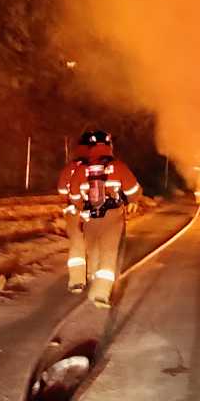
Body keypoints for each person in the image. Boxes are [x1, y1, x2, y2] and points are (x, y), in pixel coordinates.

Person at [66, 129, 142, 308]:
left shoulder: (81, 169)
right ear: (109, 145)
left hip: (89, 217)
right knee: (108, 252)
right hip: (113, 216)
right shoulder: (118, 166)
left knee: (92, 249)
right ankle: (100, 293)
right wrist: (133, 201)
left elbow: (73, 194)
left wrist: (82, 208)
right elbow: (134, 190)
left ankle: (93, 277)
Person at [56, 140, 90, 291]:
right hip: (92, 212)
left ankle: (77, 281)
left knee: (77, 244)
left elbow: (62, 191)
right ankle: (94, 275)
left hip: (73, 212)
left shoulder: (68, 168)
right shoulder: (96, 168)